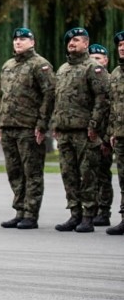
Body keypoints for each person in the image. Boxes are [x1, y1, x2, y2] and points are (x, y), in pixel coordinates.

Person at [52, 28, 110, 233]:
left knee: (88, 175)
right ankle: (74, 214)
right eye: (69, 40)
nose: (71, 43)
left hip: (85, 132)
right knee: (68, 174)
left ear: (86, 43)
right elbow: (57, 100)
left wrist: (94, 126)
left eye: (76, 40)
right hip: (65, 132)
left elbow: (102, 100)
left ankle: (88, 216)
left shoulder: (93, 68)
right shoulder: (63, 69)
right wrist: (55, 125)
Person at [0, 28, 56, 229]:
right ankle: (20, 210)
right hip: (8, 127)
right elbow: (2, 97)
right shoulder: (8, 66)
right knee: (14, 171)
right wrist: (0, 123)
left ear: (33, 42)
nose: (18, 42)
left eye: (23, 39)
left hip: (28, 128)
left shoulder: (40, 65)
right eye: (15, 39)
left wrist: (42, 124)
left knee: (32, 172)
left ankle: (31, 214)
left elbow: (49, 95)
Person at [88, 44, 114, 226]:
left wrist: (106, 138)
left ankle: (104, 212)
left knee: (103, 174)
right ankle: (91, 208)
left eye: (98, 58)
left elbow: (113, 113)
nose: (95, 61)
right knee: (89, 173)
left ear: (106, 61)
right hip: (89, 134)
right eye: (92, 58)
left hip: (106, 134)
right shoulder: (87, 80)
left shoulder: (112, 81)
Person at [106, 32, 124, 235]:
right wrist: (112, 131)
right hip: (120, 135)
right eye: (120, 44)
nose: (122, 47)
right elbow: (112, 106)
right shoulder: (116, 73)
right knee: (123, 179)